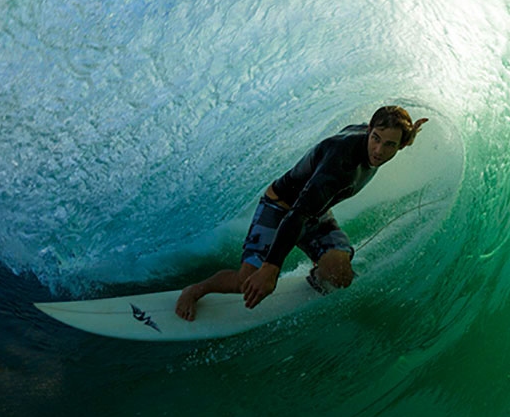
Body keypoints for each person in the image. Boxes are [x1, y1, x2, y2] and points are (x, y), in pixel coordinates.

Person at [175, 105, 428, 321]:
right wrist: (270, 269)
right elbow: (295, 216)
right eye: (375, 138)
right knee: (247, 282)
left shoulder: (381, 137)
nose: (379, 151)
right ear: (369, 130)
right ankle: (195, 290)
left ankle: (317, 276)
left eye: (390, 145)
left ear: (400, 145)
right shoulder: (340, 165)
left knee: (340, 275)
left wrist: (410, 135)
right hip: (280, 208)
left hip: (315, 209)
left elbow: (307, 212)